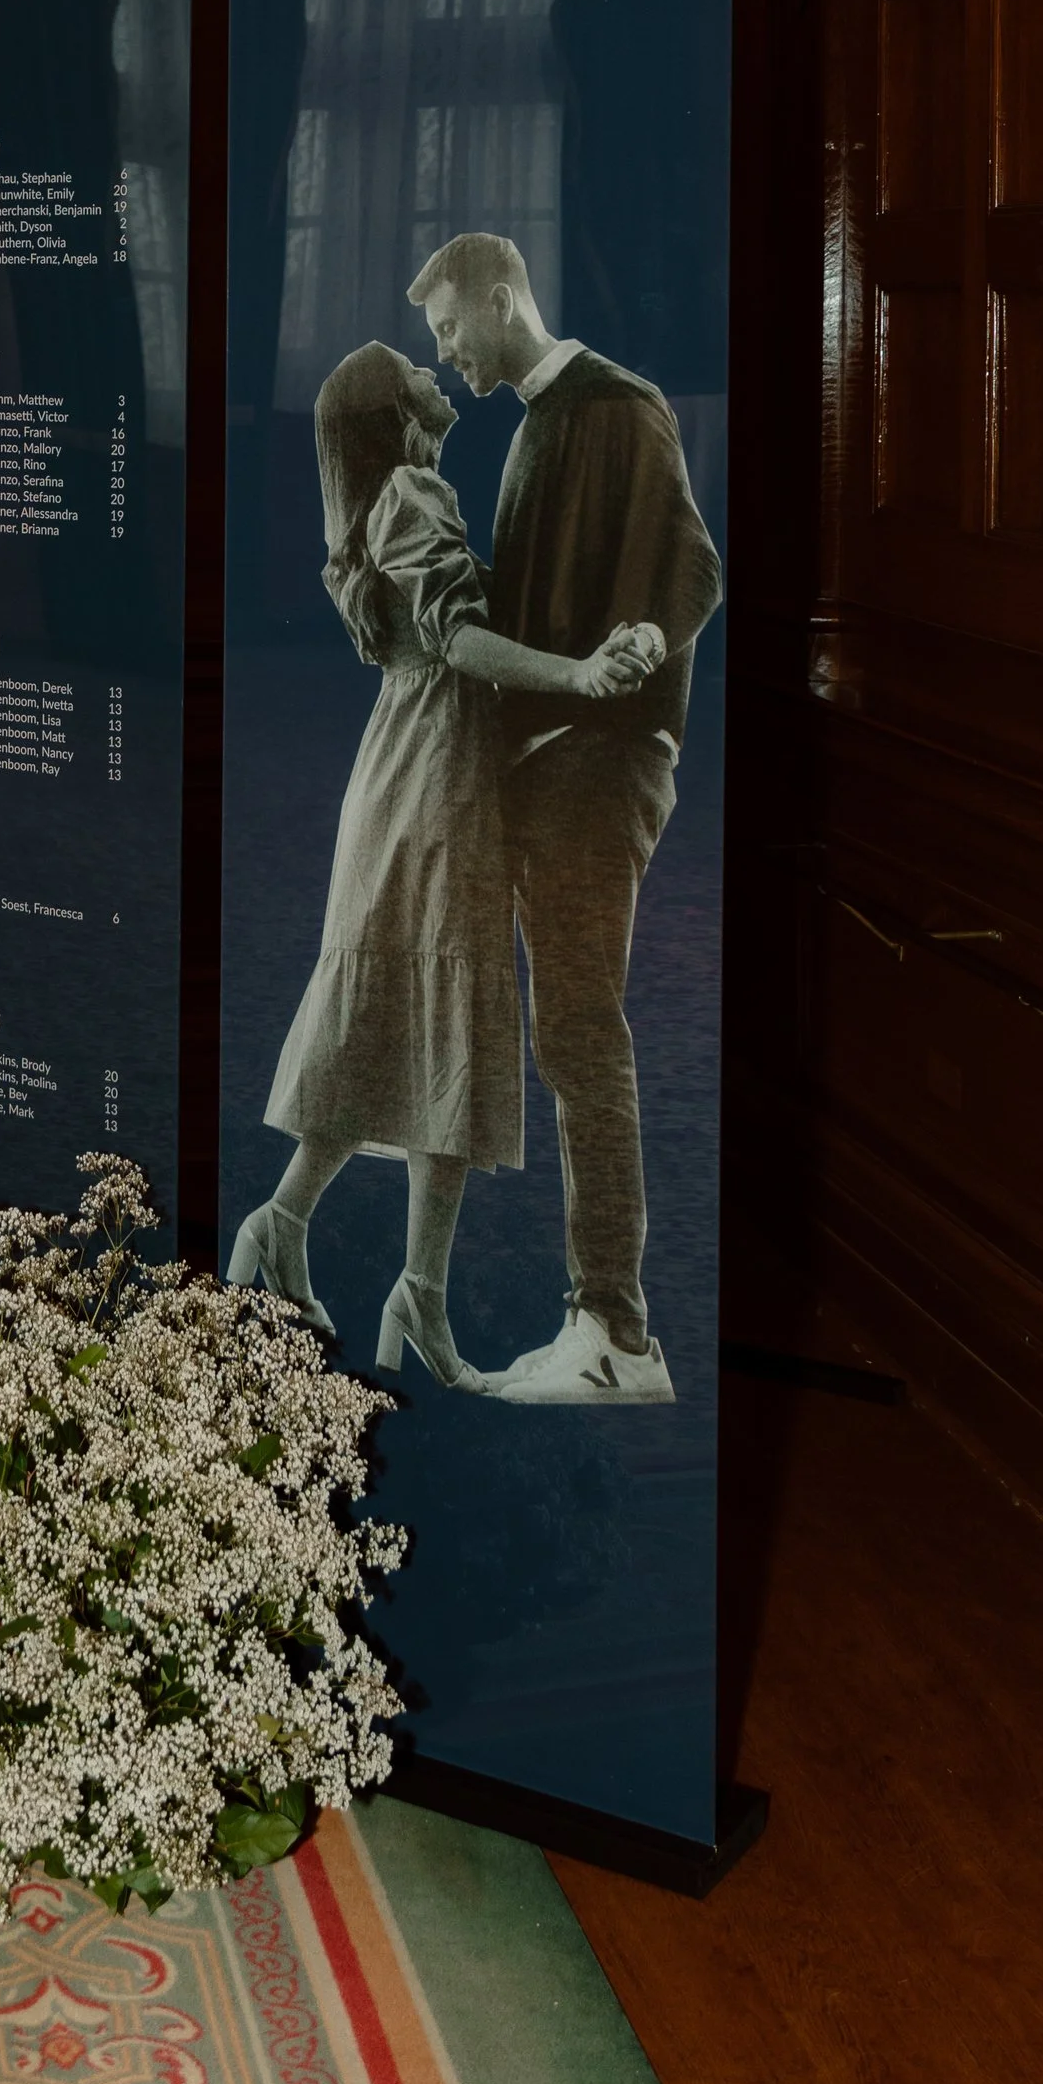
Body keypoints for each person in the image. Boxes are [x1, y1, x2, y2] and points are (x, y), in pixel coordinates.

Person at [227, 341, 651, 1386]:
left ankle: (295, 1233)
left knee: (397, 1023)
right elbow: (460, 639)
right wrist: (583, 675)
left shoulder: (379, 503)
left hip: (401, 769)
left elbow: (458, 616)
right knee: (443, 1019)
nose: (433, 370)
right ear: (392, 410)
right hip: (438, 777)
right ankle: (401, 1285)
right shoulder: (415, 487)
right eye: (415, 369)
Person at [409, 229, 722, 1406]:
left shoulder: (615, 404)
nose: (444, 350)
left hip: (601, 764)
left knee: (583, 1030)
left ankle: (616, 1334)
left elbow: (688, 560)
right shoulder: (538, 427)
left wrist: (641, 632)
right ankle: (599, 1319)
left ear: (500, 296)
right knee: (568, 1035)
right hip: (556, 766)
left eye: (450, 325)